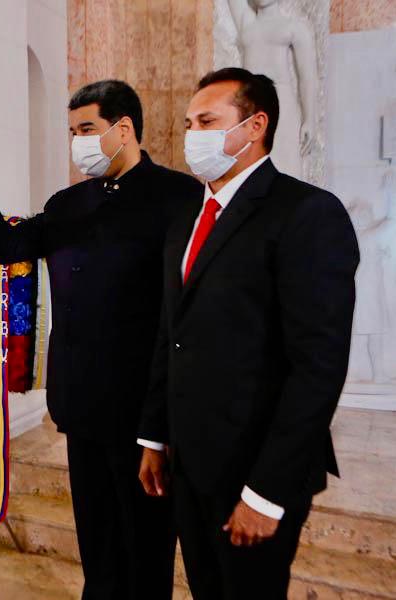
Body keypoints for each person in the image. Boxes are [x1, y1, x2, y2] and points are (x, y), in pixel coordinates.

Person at [0, 80, 202, 599]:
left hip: (143, 409)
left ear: (124, 128)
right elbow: (10, 246)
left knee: (145, 545)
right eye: (72, 131)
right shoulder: (68, 203)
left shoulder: (180, 196)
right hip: (81, 401)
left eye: (87, 129)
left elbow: (189, 310)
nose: (77, 141)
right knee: (97, 538)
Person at [138, 68, 359, 599]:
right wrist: (154, 436)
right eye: (190, 122)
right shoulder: (189, 216)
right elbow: (173, 331)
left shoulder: (306, 213)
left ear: (255, 125)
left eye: (207, 121)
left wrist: (266, 493)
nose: (192, 134)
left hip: (254, 467)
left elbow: (318, 367)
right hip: (189, 462)